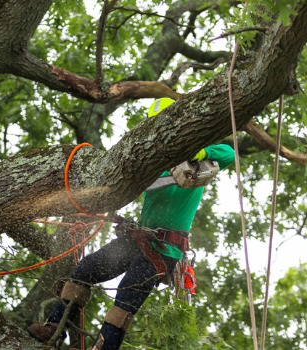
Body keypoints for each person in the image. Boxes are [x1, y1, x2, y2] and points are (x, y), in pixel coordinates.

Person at [27, 98, 235, 349]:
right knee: (85, 270)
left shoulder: (197, 161)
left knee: (126, 296)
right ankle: (56, 328)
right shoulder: (154, 163)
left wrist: (201, 152)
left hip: (164, 249)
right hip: (138, 240)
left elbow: (229, 153)